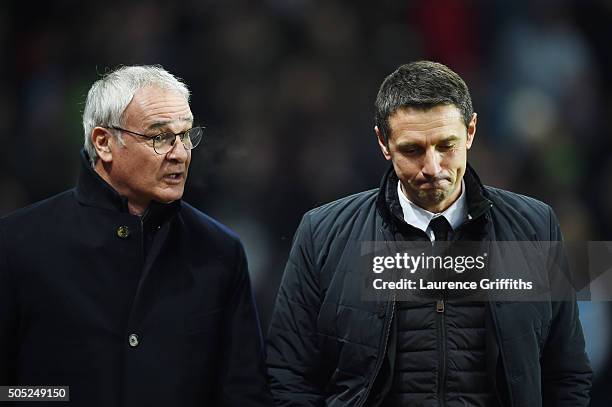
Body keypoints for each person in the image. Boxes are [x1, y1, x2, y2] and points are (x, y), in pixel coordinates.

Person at [266, 61, 592, 406]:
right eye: (412, 150)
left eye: (446, 145)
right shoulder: (322, 233)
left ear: (471, 132)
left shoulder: (536, 226)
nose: (433, 168)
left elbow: (565, 372)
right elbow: (289, 375)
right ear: (383, 142)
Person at [0, 65, 271, 406]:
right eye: (160, 137)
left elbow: (244, 392)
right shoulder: (17, 244)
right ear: (104, 143)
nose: (180, 153)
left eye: (185, 135)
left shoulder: (219, 251)